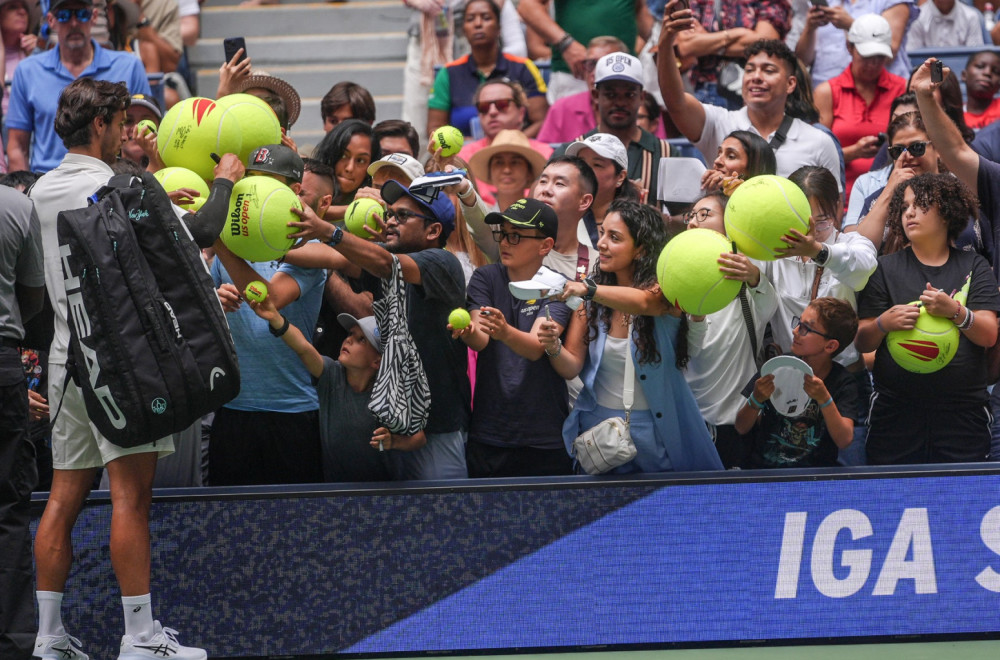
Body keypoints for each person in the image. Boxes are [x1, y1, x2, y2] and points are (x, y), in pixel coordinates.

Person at [29, 78, 239, 660]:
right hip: (125, 365)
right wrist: (224, 179)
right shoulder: (119, 184)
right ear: (99, 126)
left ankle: (48, 639)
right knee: (130, 498)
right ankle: (140, 637)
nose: (126, 134)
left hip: (67, 362)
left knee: (63, 498)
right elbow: (201, 230)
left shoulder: (39, 190)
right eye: (121, 123)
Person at [286, 180, 472, 480]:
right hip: (393, 427)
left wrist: (327, 230)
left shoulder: (442, 262)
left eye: (402, 216)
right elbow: (334, 258)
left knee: (442, 519)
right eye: (390, 214)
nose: (390, 221)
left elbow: (385, 263)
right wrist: (270, 250)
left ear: (433, 231)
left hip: (437, 429)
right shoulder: (386, 256)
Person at [538, 199, 723, 473]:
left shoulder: (664, 292)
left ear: (641, 250)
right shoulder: (591, 299)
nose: (601, 244)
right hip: (599, 430)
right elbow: (571, 367)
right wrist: (553, 345)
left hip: (656, 430)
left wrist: (587, 289)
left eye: (614, 238)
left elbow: (646, 303)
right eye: (602, 234)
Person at [855, 173, 1000, 464]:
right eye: (905, 206)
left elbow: (988, 335)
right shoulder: (883, 268)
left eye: (920, 205)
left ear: (947, 212)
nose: (909, 212)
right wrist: (884, 323)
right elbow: (861, 341)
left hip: (963, 415)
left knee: (961, 502)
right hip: (895, 414)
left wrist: (955, 312)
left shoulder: (975, 264)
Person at [209, 148, 326, 487]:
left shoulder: (307, 248)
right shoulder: (229, 248)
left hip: (292, 411)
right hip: (234, 409)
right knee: (228, 525)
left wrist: (219, 239)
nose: (256, 194)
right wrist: (216, 299)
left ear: (294, 191)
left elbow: (269, 298)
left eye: (269, 184)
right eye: (252, 182)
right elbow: (204, 316)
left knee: (296, 528)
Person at [453, 198, 574, 477]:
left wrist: (504, 331)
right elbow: (480, 337)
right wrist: (468, 334)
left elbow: (535, 348)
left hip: (544, 436)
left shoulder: (558, 287)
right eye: (503, 234)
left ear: (545, 245)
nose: (505, 242)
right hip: (489, 432)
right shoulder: (486, 277)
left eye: (516, 236)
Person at [657, 12, 844, 191]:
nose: (756, 77)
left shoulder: (819, 142)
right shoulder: (720, 123)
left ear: (790, 84)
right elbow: (676, 102)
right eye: (750, 70)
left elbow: (830, 212)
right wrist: (666, 41)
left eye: (768, 70)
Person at [249, 294, 426, 481]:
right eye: (350, 334)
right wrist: (276, 318)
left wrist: (394, 441)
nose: (348, 340)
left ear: (377, 360)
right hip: (335, 493)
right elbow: (303, 348)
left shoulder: (390, 392)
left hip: (381, 494)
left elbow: (419, 438)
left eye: (361, 340)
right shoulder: (331, 374)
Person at [681, 191, 778, 469]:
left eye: (704, 215)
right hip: (688, 423)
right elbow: (686, 352)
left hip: (736, 423)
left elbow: (768, 304)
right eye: (690, 216)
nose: (692, 223)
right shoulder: (675, 283)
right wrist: (695, 315)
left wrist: (754, 276)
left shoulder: (748, 283)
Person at [6, 0, 151, 173]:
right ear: (51, 20)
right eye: (64, 15)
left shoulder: (129, 66)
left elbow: (146, 135)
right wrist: (27, 193)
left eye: (82, 14)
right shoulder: (27, 71)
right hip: (46, 186)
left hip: (112, 185)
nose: (74, 23)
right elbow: (17, 148)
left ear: (94, 17)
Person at [765, 166, 877, 370]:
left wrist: (818, 252)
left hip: (843, 374)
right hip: (787, 371)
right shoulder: (774, 252)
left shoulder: (852, 243)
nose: (812, 232)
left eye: (822, 221)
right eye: (801, 221)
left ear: (837, 207)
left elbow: (862, 268)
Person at [735, 297, 859, 468]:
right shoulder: (777, 367)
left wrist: (824, 399)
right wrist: (756, 399)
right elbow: (741, 427)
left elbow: (844, 440)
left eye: (806, 328)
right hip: (764, 472)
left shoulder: (843, 382)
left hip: (815, 478)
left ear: (830, 346)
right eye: (798, 322)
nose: (795, 331)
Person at [0, 178, 43, 660]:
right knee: (7, 512)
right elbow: (32, 297)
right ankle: (12, 645)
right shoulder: (15, 205)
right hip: (3, 363)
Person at [554, 51, 672, 206]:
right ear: (596, 95)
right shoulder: (571, 151)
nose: (620, 103)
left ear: (642, 97)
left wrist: (653, 217)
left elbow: (688, 216)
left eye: (629, 95)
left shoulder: (665, 153)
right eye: (611, 94)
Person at [813, 14, 907, 201]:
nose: (872, 64)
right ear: (849, 47)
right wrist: (853, 152)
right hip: (841, 196)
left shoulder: (903, 89)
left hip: (893, 196)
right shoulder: (827, 93)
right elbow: (815, 157)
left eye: (879, 57)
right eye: (866, 56)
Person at [427, 0, 547, 138]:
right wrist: (469, 149)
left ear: (499, 27)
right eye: (470, 19)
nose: (478, 24)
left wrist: (511, 146)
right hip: (464, 154)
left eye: (486, 17)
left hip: (517, 153)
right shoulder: (448, 73)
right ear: (464, 29)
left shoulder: (523, 67)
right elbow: (435, 128)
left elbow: (541, 121)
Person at [517, 0, 654, 102]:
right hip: (576, 74)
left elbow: (640, 9)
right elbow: (527, 6)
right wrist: (565, 43)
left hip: (626, 74)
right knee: (576, 138)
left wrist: (656, 43)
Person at [676, 0, 791, 110]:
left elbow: (765, 43)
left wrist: (707, 39)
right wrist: (738, 34)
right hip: (707, 91)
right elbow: (685, 46)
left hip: (754, 90)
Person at [790, 0, 916, 86]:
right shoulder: (828, 3)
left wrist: (851, 24)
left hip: (880, 90)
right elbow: (803, 61)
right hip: (825, 91)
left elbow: (890, 51)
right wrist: (810, 28)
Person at [537, 35, 627, 144]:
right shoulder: (562, 108)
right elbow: (544, 153)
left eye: (605, 64)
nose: (595, 72)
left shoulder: (640, 108)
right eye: (591, 64)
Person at [564, 132, 641, 247]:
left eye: (597, 164)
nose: (585, 170)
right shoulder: (563, 216)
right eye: (581, 162)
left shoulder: (637, 222)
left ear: (620, 177)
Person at [533, 155, 597, 282]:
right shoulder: (510, 241)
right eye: (543, 181)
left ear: (584, 201)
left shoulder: (597, 265)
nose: (546, 190)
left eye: (559, 184)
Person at [467, 128, 547, 211]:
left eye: (515, 162)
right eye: (499, 162)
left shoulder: (541, 220)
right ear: (490, 172)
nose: (507, 170)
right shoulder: (478, 221)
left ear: (529, 173)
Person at [313, 118, 374, 222]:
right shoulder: (309, 180)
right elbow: (304, 209)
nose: (349, 168)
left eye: (361, 160)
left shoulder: (372, 201)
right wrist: (355, 209)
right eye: (343, 155)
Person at [700, 129, 776, 195]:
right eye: (719, 154)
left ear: (754, 167)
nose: (717, 161)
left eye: (731, 156)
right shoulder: (709, 194)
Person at [906, 0, 985, 50]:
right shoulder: (917, 18)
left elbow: (975, 56)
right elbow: (914, 58)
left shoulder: (971, 17)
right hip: (927, 73)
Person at [963, 50, 1000, 131]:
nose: (987, 73)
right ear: (964, 75)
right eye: (980, 66)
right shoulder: (953, 114)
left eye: (996, 71)